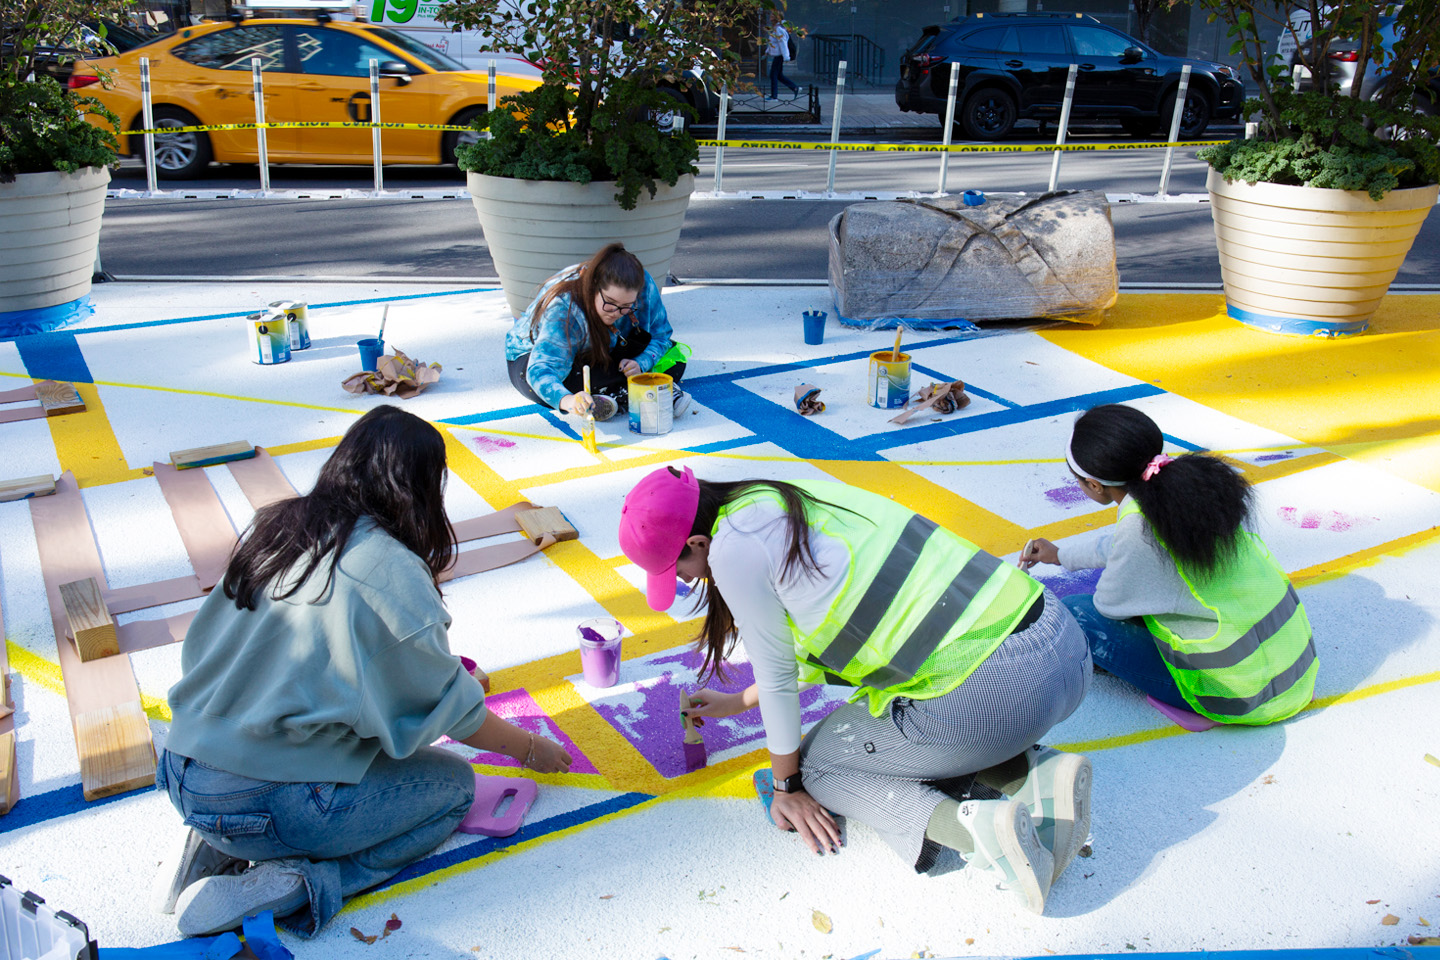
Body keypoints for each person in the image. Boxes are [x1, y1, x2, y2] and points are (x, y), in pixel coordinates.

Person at [152, 405, 573, 938]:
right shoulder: (390, 567)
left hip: (183, 768)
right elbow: (449, 708)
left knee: (325, 751)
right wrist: (528, 749)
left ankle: (213, 844)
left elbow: (223, 653)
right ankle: (298, 881)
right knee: (451, 787)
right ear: (421, 487)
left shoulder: (276, 528)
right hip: (265, 805)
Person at [618, 466, 1093, 914]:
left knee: (820, 768)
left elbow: (781, 676)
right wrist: (739, 701)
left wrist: (786, 786)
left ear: (700, 542)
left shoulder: (732, 551)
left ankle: (984, 836)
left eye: (675, 568)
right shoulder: (779, 498)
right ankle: (1032, 773)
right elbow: (823, 630)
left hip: (997, 692)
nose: (681, 580)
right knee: (896, 730)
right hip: (1060, 643)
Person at [1020, 404, 1317, 728]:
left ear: (1094, 485)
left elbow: (1110, 604)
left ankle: (1196, 700)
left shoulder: (1140, 528)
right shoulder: (1186, 487)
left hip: (1241, 696)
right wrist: (1061, 555)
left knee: (1078, 613)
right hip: (1295, 671)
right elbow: (1127, 545)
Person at [504, 242, 689, 423]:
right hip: (531, 360)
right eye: (610, 303)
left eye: (626, 307)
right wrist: (569, 401)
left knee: (675, 359)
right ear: (592, 286)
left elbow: (661, 335)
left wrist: (641, 363)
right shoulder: (564, 310)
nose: (616, 313)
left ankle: (615, 394)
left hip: (608, 349)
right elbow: (541, 370)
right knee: (573, 383)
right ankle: (640, 389)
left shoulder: (643, 284)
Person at [765, 14, 799, 100]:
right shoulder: (776, 29)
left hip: (779, 56)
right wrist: (767, 52)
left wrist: (786, 56)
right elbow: (773, 43)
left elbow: (782, 43)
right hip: (778, 55)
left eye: (772, 16)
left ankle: (774, 96)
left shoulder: (779, 29)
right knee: (779, 75)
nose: (770, 17)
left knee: (773, 75)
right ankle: (794, 87)